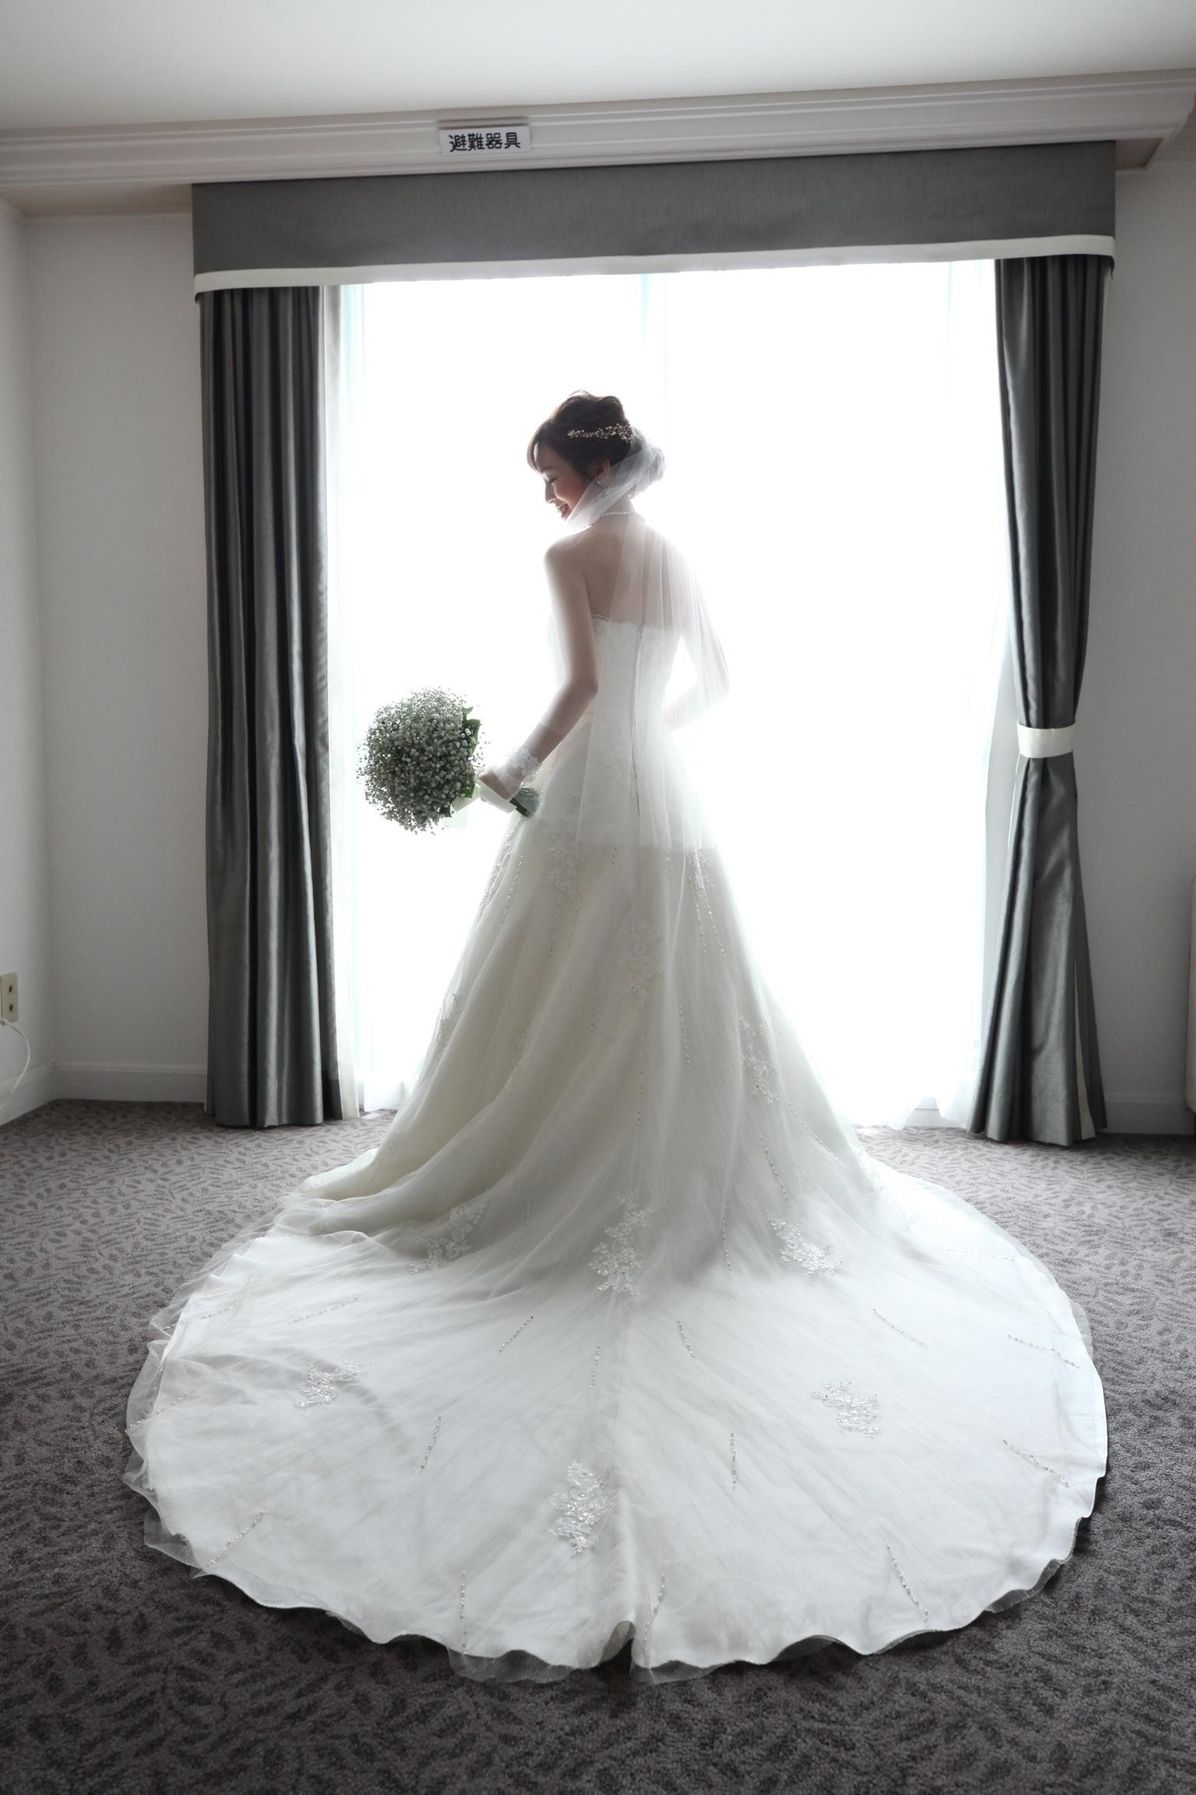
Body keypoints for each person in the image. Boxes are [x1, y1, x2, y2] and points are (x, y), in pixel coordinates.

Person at [124, 391, 1106, 1686]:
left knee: (554, 992)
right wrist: (656, 750)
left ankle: (536, 1161)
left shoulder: (570, 552)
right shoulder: (674, 553)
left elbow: (582, 688)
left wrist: (510, 770)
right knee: (685, 994)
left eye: (548, 472)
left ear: (588, 468)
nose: (544, 494)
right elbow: (715, 686)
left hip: (589, 804)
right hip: (667, 805)